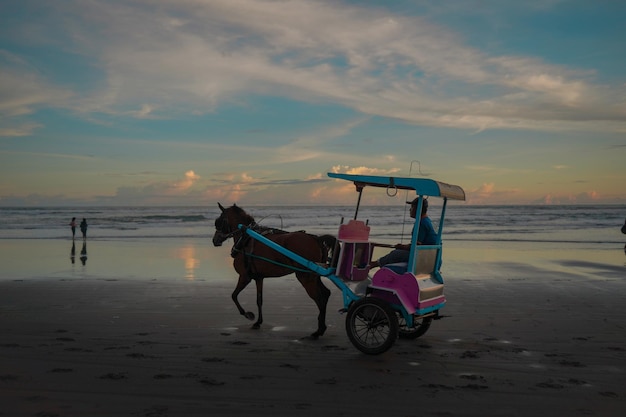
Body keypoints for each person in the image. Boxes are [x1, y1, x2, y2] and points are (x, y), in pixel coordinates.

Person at [369, 197, 437, 268]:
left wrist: (402, 247)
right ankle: (375, 263)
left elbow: (416, 246)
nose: (410, 209)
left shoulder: (422, 223)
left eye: (412, 207)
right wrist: (403, 247)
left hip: (424, 258)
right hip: (430, 256)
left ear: (417, 208)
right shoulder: (428, 221)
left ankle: (374, 264)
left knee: (395, 254)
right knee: (398, 252)